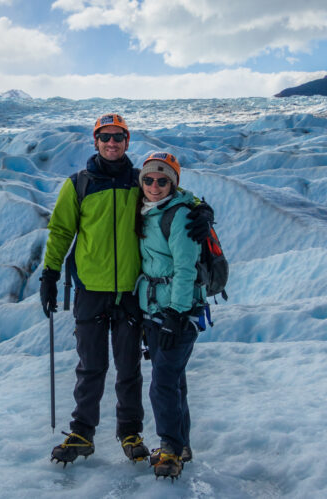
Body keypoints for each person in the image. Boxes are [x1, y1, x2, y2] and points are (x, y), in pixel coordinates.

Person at [39, 115, 211, 467]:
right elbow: (60, 232)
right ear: (96, 141)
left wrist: (202, 209)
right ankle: (82, 432)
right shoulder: (79, 184)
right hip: (90, 287)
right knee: (91, 365)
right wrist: (49, 275)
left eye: (118, 137)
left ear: (127, 141)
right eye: (105, 137)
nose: (112, 142)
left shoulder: (140, 181)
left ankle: (130, 432)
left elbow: (173, 193)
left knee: (128, 365)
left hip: (132, 291)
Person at [134, 151, 205, 479]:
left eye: (163, 181)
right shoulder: (146, 210)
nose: (154, 185)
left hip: (176, 313)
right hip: (153, 310)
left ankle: (171, 450)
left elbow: (185, 268)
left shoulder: (179, 216)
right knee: (173, 382)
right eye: (148, 179)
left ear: (173, 184)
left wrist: (177, 313)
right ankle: (182, 444)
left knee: (162, 384)